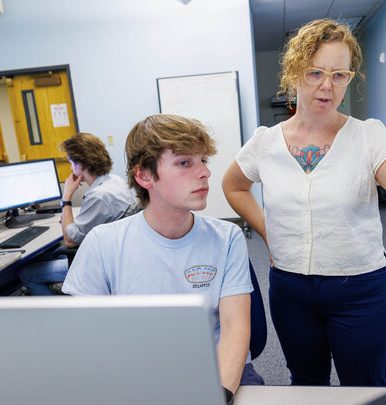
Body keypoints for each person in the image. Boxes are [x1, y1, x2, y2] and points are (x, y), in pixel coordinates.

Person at [222, 19, 386, 387]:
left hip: (359, 289)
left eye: (339, 74)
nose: (327, 85)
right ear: (294, 73)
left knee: (365, 386)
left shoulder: (368, 135)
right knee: (307, 384)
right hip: (291, 290)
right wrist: (268, 233)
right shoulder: (264, 143)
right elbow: (233, 186)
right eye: (315, 73)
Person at [62, 114, 263, 402]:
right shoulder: (103, 243)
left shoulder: (227, 238)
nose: (205, 172)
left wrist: (217, 396)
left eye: (203, 160)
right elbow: (85, 340)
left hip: (219, 373)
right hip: (139, 377)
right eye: (185, 162)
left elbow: (235, 328)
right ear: (144, 176)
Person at [18, 132, 134, 295]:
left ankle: (59, 319)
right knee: (45, 258)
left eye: (71, 163)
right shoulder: (115, 181)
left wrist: (66, 197)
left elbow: (70, 241)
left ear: (80, 165)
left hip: (95, 266)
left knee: (26, 273)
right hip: (112, 257)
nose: (71, 168)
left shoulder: (98, 196)